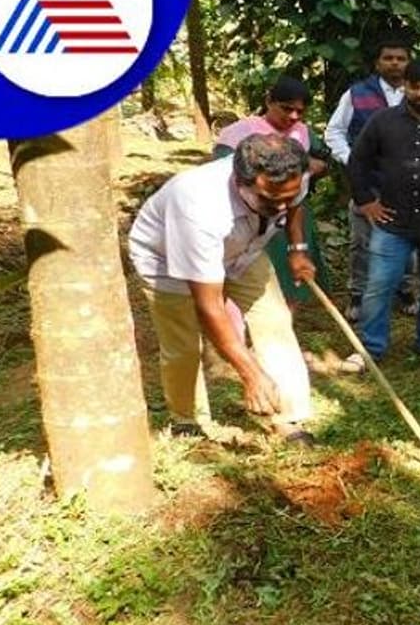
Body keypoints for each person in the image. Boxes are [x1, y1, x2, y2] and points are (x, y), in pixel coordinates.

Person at [129, 133, 318, 446]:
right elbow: (210, 306)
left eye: (290, 195)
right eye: (271, 201)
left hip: (244, 249)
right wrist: (250, 374)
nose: (282, 206)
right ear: (239, 182)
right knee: (183, 343)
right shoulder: (197, 204)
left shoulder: (290, 174)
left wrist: (297, 248)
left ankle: (287, 416)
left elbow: (294, 204)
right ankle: (187, 420)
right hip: (166, 259)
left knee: (274, 320)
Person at [340, 57, 420, 373]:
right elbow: (358, 162)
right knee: (379, 285)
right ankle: (370, 347)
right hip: (391, 224)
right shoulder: (383, 121)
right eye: (414, 86)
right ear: (405, 86)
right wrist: (366, 201)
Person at [214, 76, 333, 308]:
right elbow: (226, 171)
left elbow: (326, 161)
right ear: (269, 101)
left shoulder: (304, 133)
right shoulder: (239, 132)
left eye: (300, 111)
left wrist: (315, 166)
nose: (293, 117)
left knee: (291, 276)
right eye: (286, 109)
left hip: (294, 213)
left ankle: (285, 323)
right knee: (251, 274)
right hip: (249, 216)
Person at [324, 38, 416, 322]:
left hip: (407, 186)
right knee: (362, 243)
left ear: (408, 62)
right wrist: (354, 161)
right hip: (368, 185)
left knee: (408, 239)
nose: (395, 63)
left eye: (400, 58)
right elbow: (334, 132)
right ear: (378, 63)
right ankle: (357, 296)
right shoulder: (357, 94)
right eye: (388, 58)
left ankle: (405, 291)